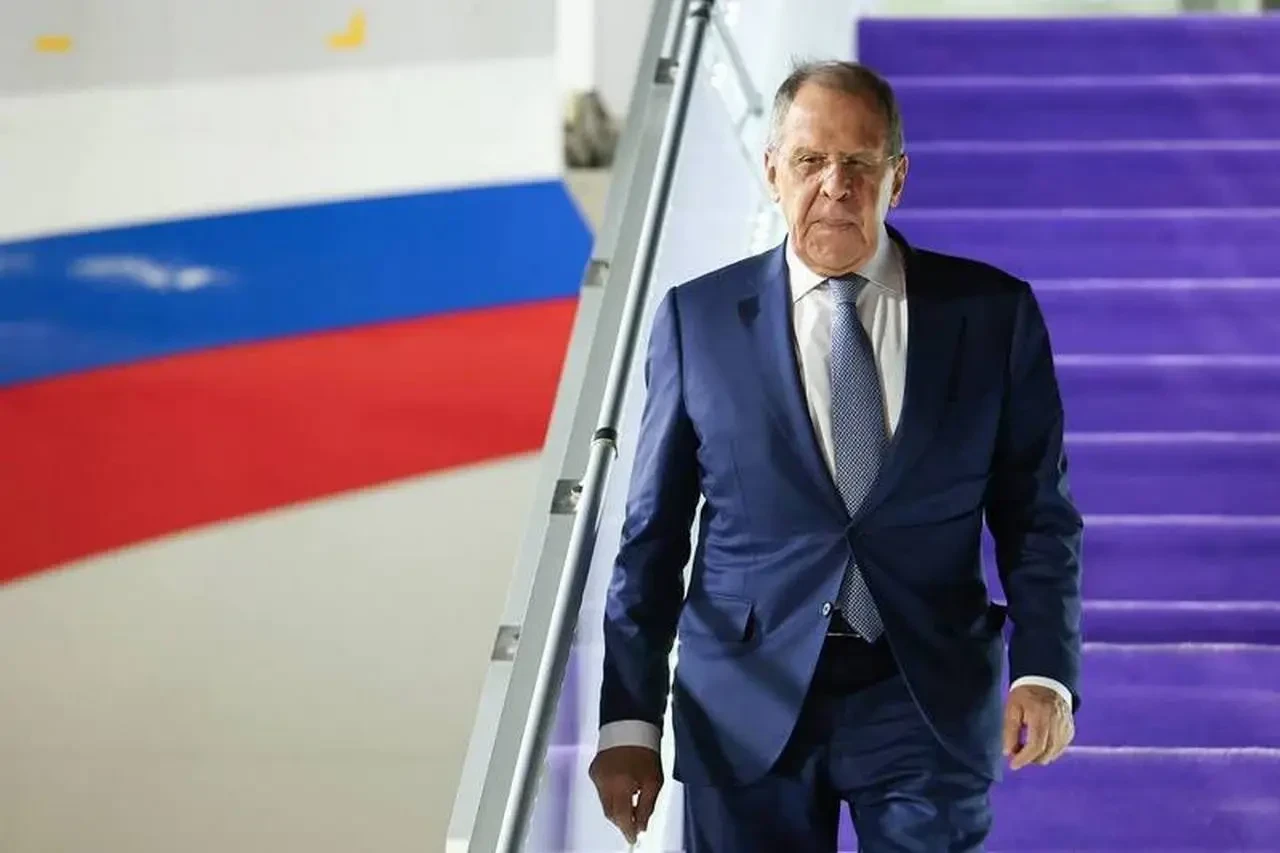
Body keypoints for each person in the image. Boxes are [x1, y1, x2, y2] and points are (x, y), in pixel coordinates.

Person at [588, 60, 1082, 852]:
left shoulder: (992, 315)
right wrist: (628, 719)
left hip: (923, 694)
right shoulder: (697, 321)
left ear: (898, 179)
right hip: (743, 701)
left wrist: (1044, 668)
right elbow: (653, 535)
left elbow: (1039, 517)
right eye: (811, 160)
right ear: (772, 171)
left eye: (859, 162)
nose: (835, 185)